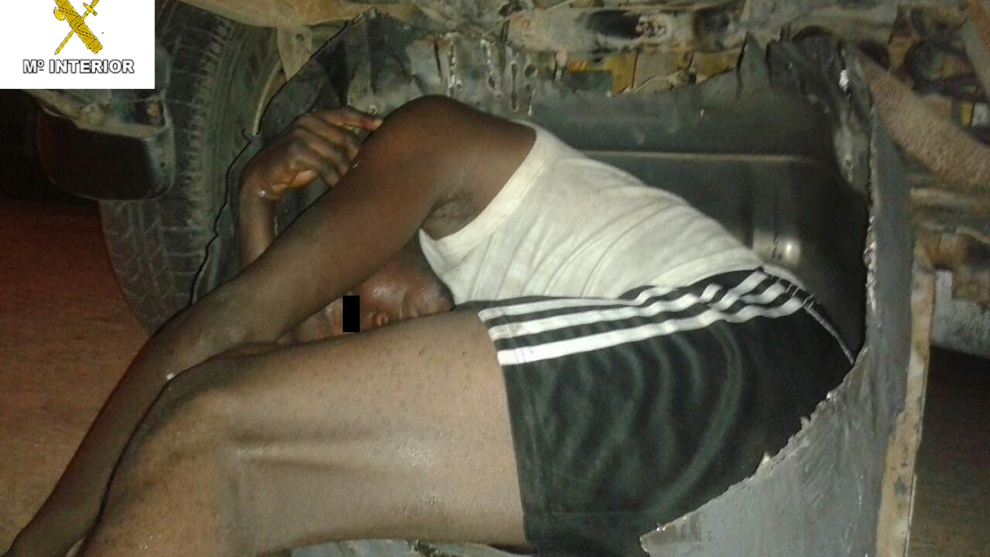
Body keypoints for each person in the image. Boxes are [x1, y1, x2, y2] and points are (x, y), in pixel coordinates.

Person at [6, 96, 852, 557]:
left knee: (205, 427)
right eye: (356, 324)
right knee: (278, 483)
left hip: (746, 352)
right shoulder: (413, 297)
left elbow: (228, 339)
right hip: (697, 474)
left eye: (355, 291)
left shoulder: (430, 141)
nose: (372, 326)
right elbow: (294, 375)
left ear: (351, 211)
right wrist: (252, 204)